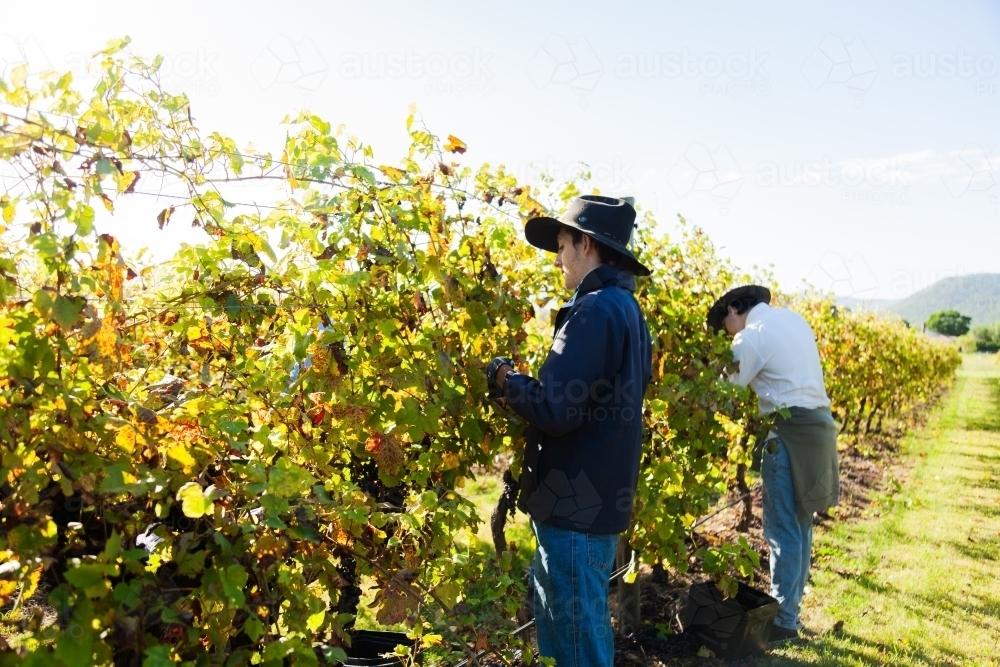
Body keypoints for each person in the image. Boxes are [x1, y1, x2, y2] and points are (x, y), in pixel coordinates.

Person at [485, 195, 652, 667]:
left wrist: (504, 379)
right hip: (591, 503)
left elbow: (557, 409)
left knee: (576, 646)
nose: (557, 259)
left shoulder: (594, 310)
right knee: (574, 638)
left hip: (574, 508)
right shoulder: (626, 310)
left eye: (561, 246)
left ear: (586, 244)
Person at [706, 286, 840, 643]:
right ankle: (790, 612)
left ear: (734, 309)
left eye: (725, 326)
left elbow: (727, 390)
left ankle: (783, 621)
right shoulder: (792, 319)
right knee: (801, 524)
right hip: (818, 431)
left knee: (782, 531)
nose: (727, 335)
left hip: (789, 435)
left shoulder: (752, 336)